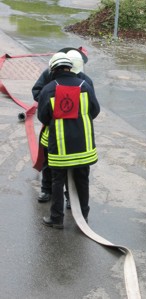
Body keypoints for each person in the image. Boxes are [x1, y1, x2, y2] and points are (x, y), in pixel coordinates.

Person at [37, 52, 100, 228]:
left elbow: (43, 117)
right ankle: (83, 217)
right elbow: (95, 110)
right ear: (70, 68)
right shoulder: (85, 86)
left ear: (53, 70)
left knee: (57, 181)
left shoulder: (48, 89)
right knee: (82, 180)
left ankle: (56, 219)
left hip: (60, 146)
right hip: (83, 144)